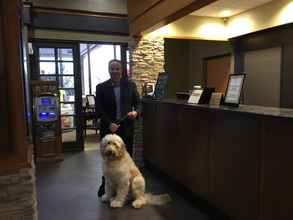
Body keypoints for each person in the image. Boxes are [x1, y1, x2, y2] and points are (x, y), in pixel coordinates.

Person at [95, 59, 140, 197]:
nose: (114, 71)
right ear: (109, 70)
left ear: (122, 70)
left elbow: (138, 104)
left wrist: (136, 112)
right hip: (108, 128)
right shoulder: (101, 87)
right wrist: (109, 124)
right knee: (107, 159)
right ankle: (106, 185)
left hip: (126, 127)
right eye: (112, 69)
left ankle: (127, 186)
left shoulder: (130, 85)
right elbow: (99, 109)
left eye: (117, 69)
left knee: (126, 158)